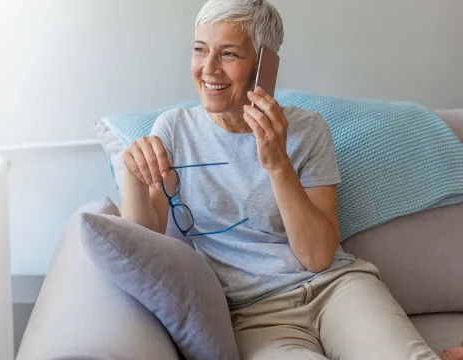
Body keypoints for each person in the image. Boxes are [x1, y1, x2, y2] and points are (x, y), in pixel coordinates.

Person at [121, 0, 439, 359]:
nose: (208, 68)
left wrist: (277, 164)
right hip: (254, 312)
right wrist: (132, 174)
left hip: (337, 288)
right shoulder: (175, 130)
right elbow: (141, 243)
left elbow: (318, 256)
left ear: (263, 65)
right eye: (200, 50)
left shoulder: (308, 130)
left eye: (228, 54)